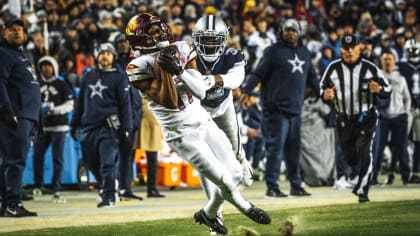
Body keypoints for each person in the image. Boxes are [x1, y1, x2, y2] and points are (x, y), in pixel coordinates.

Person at [125, 13, 270, 235]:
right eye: (153, 32)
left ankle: (208, 214)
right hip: (181, 133)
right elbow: (171, 101)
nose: (161, 33)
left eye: (159, 28)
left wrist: (180, 71)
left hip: (203, 119)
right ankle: (246, 207)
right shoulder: (137, 66)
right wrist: (166, 70)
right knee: (222, 179)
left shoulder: (183, 47)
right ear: (140, 39)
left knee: (235, 173)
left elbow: (200, 91)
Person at [239, 18, 319, 198]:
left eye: (294, 30)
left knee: (294, 150)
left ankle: (295, 185)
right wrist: (245, 91)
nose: (290, 33)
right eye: (287, 29)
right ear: (281, 31)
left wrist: (323, 93)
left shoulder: (305, 53)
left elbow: (312, 78)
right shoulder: (273, 51)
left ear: (299, 33)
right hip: (275, 110)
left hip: (295, 110)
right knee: (275, 148)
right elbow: (258, 73)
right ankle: (272, 187)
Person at [320, 34, 391, 203]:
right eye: (346, 48)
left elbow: (387, 89)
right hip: (344, 118)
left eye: (353, 48)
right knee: (349, 154)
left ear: (359, 48)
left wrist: (379, 89)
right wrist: (325, 94)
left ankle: (362, 189)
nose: (349, 51)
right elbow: (321, 87)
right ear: (341, 49)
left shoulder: (370, 67)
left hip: (367, 117)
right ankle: (354, 174)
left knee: (365, 151)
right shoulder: (333, 67)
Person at [192, 15, 254, 187]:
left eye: (214, 39)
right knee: (204, 150)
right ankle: (217, 182)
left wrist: (214, 79)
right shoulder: (188, 56)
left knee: (234, 144)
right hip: (199, 109)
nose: (210, 44)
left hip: (223, 105)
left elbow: (237, 78)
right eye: (206, 39)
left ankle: (241, 162)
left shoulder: (232, 55)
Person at [71, 43, 133, 208]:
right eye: (102, 53)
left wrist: (127, 128)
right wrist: (74, 123)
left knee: (107, 162)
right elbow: (80, 102)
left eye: (108, 53)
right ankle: (109, 185)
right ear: (97, 56)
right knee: (91, 162)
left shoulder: (120, 76)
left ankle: (109, 195)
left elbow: (125, 105)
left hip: (109, 127)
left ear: (113, 57)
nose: (105, 56)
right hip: (88, 127)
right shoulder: (88, 76)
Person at [0, 18, 41, 217]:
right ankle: (13, 203)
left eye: (20, 30)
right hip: (16, 115)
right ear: (3, 33)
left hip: (26, 115)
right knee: (14, 161)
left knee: (11, 161)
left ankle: (6, 202)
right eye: (12, 29)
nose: (17, 32)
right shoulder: (4, 53)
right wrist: (7, 111)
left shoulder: (21, 55)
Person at [32, 56, 74, 198]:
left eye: (49, 65)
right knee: (37, 156)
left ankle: (55, 187)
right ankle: (38, 185)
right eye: (43, 66)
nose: (46, 68)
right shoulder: (35, 84)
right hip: (42, 127)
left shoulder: (61, 84)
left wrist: (54, 110)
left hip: (59, 126)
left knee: (58, 158)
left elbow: (70, 104)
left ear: (54, 67)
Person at [113, 33, 144, 201]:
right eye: (120, 43)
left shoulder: (135, 64)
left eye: (125, 42)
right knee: (115, 155)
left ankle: (126, 188)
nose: (123, 45)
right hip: (118, 114)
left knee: (128, 155)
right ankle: (114, 188)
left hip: (133, 115)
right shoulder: (113, 65)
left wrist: (139, 114)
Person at [374, 50, 411, 185]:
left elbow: (407, 98)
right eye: (385, 59)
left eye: (390, 59)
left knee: (401, 147)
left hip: (399, 116)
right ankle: (374, 176)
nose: (388, 61)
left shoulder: (400, 78)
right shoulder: (377, 77)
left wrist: (405, 112)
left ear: (394, 61)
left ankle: (405, 176)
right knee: (378, 148)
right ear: (381, 62)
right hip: (383, 117)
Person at [133, 99, 165, 198]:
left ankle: (124, 188)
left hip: (143, 116)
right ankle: (151, 189)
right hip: (145, 115)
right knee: (151, 159)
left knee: (128, 158)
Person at [399, 38, 420, 183]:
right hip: (406, 107)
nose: (412, 53)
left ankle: (415, 170)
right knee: (402, 140)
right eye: (410, 50)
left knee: (418, 140)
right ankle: (404, 170)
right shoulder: (401, 66)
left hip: (418, 106)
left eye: (414, 50)